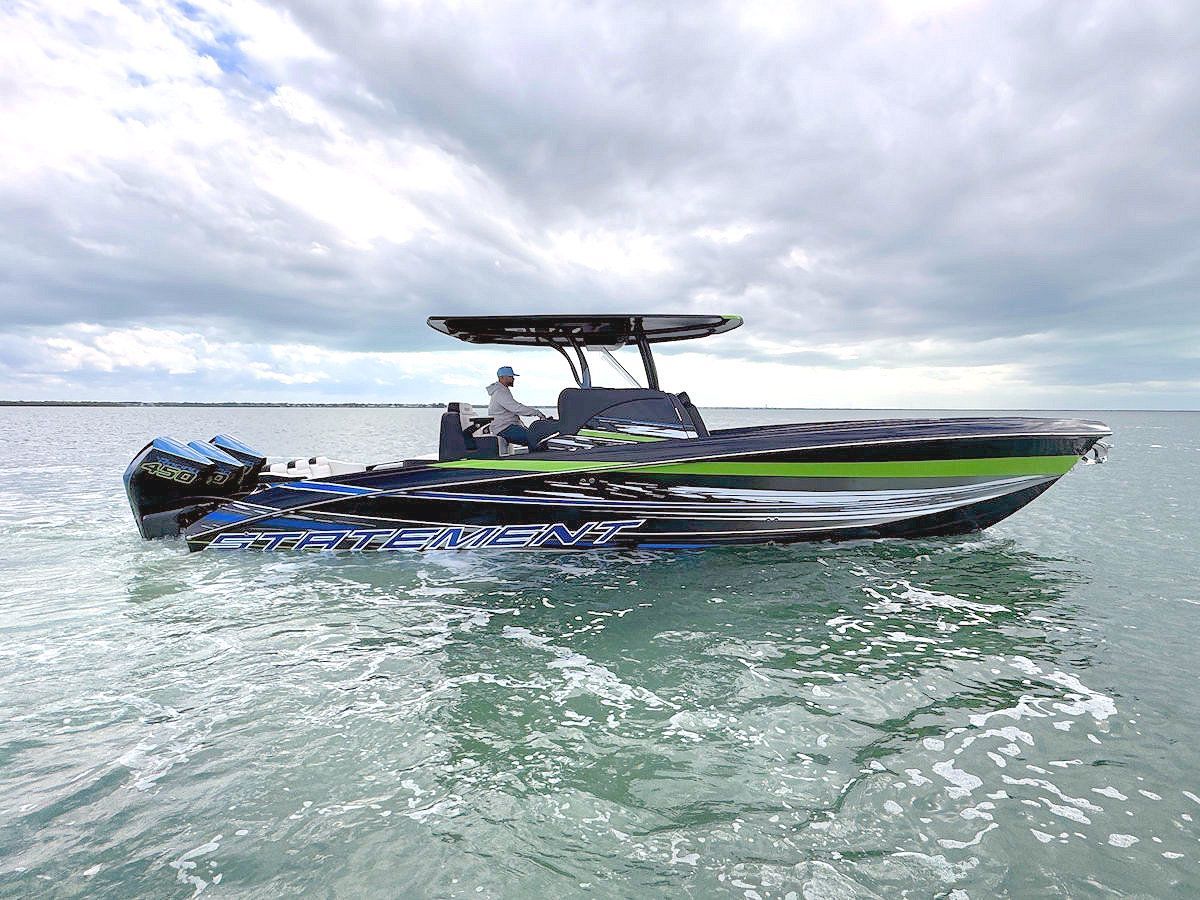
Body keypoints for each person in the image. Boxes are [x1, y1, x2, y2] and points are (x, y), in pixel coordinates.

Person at [486, 366, 547, 447]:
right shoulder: (500, 392)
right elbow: (516, 408)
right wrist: (536, 412)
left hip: (509, 426)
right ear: (502, 377)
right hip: (504, 428)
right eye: (510, 377)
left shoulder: (502, 390)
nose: (513, 379)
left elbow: (514, 407)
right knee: (535, 438)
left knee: (535, 436)